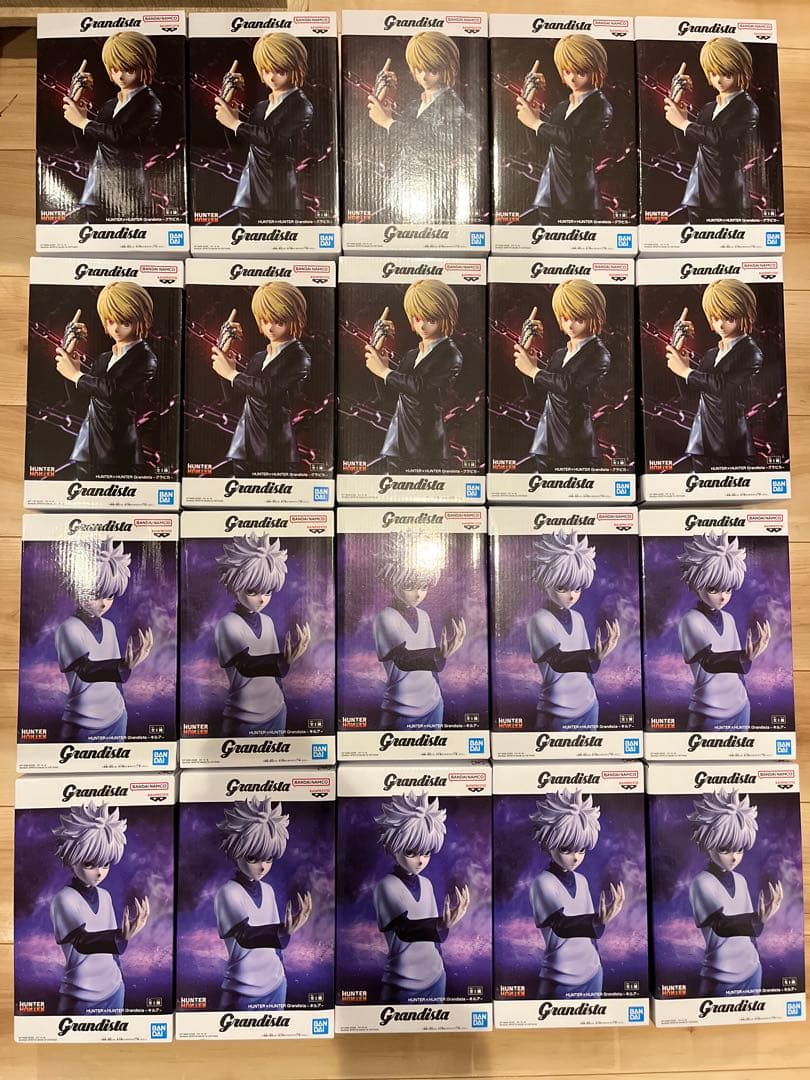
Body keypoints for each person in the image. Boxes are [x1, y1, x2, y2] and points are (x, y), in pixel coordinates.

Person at [50, 801, 150, 1015]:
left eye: (105, 864)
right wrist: (121, 935)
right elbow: (82, 942)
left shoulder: (105, 896)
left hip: (114, 989)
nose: (99, 872)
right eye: (89, 864)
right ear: (72, 858)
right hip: (79, 995)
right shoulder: (64, 899)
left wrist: (122, 942)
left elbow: (113, 952)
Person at [215, 797, 312, 1011]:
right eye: (253, 858)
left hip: (276, 984)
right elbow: (246, 935)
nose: (262, 867)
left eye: (269, 859)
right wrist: (283, 930)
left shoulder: (268, 890)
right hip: (242, 989)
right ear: (236, 851)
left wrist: (282, 967)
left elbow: (276, 947)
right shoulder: (228, 893)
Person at [366, 32, 474, 221]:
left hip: (432, 194)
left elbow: (434, 145)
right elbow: (402, 137)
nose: (423, 76)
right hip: (403, 193)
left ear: (447, 67)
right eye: (418, 70)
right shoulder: (415, 105)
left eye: (432, 70)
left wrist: (388, 122)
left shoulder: (452, 105)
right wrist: (387, 99)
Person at [373, 794, 470, 1004]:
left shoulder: (427, 884)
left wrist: (442, 929)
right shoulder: (386, 886)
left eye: (426, 853)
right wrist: (441, 924)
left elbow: (434, 939)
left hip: (436, 977)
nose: (421, 860)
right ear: (394, 846)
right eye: (411, 852)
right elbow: (405, 929)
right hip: (401, 982)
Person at [529, 789, 624, 1000]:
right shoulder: (542, 883)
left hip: (593, 971)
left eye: (581, 850)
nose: (575, 858)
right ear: (549, 844)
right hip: (559, 977)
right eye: (566, 849)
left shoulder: (582, 880)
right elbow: (561, 925)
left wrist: (598, 959)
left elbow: (590, 936)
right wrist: (598, 920)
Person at [56, 282, 157, 480]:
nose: (116, 328)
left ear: (141, 318)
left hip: (118, 452)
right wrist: (71, 368)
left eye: (124, 322)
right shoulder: (104, 359)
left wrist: (76, 375)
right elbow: (80, 399)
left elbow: (114, 391)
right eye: (110, 321)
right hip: (86, 448)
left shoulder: (145, 358)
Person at [55, 539, 153, 742]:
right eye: (95, 594)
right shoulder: (69, 628)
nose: (103, 604)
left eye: (109, 596)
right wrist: (123, 665)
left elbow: (116, 682)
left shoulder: (109, 627)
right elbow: (86, 670)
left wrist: (123, 703)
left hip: (117, 717)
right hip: (83, 723)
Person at [688, 789, 782, 997]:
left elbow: (749, 934)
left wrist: (756, 950)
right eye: (725, 849)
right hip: (720, 976)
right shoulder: (701, 883)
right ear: (708, 843)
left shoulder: (741, 880)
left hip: (753, 970)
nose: (734, 857)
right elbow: (722, 925)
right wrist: (758, 918)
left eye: (739, 850)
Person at [214, 533, 310, 737]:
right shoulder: (228, 624)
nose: (262, 599)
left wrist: (282, 694)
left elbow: (275, 675)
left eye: (268, 592)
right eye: (252, 591)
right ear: (235, 587)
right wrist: (284, 659)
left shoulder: (267, 621)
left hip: (277, 710)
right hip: (243, 717)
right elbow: (246, 665)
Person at [211, 282, 311, 477]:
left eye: (278, 321)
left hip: (274, 451)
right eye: (265, 321)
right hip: (243, 447)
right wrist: (226, 366)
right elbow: (234, 397)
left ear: (294, 318)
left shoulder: (299, 357)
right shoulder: (258, 358)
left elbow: (270, 390)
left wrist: (232, 374)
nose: (270, 328)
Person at [213, 33, 313, 225]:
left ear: (295, 67)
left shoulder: (301, 105)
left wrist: (235, 123)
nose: (271, 77)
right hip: (248, 195)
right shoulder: (261, 107)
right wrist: (229, 113)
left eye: (279, 70)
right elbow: (241, 145)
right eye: (266, 70)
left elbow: (273, 139)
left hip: (280, 199)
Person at [62, 32, 162, 223]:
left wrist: (83, 122)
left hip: (126, 193)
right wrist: (78, 118)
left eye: (128, 69)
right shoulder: (109, 105)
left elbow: (120, 137)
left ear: (144, 65)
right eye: (115, 69)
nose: (120, 76)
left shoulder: (150, 103)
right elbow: (89, 147)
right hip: (95, 190)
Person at [364, 279, 463, 473]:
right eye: (417, 318)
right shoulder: (411, 355)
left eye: (431, 319)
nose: (423, 326)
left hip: (425, 447)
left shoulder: (451, 354)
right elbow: (391, 396)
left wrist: (384, 371)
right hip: (396, 443)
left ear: (447, 316)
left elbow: (421, 387)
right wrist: (380, 367)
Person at [665, 279, 764, 471]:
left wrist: (686, 371)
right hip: (701, 443)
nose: (721, 325)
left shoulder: (751, 353)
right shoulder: (711, 354)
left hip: (731, 447)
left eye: (729, 318)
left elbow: (723, 386)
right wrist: (681, 364)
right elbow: (691, 394)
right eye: (716, 318)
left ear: (745, 314)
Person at [513, 279, 611, 472]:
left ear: (594, 316)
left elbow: (569, 386)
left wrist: (533, 370)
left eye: (578, 319)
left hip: (574, 446)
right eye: (565, 318)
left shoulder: (599, 354)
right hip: (544, 442)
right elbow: (539, 393)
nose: (570, 325)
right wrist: (529, 365)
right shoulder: (559, 354)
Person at [526, 531, 619, 731]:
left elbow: (586, 671)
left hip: (589, 705)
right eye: (562, 588)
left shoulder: (578, 618)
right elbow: (558, 660)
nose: (571, 596)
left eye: (577, 589)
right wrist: (594, 655)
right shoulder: (539, 620)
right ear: (544, 581)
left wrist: (594, 662)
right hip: (556, 711)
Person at [677, 531, 770, 731]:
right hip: (708, 711)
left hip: (741, 706)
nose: (723, 597)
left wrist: (745, 666)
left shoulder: (729, 619)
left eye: (728, 590)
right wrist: (745, 656)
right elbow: (709, 661)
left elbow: (737, 671)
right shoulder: (690, 620)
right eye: (714, 589)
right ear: (697, 583)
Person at [515, 35, 613, 224]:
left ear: (596, 68)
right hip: (547, 196)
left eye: (580, 72)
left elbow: (574, 139)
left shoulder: (601, 106)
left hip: (577, 199)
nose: (572, 78)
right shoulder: (561, 107)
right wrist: (531, 119)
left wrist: (536, 123)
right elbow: (541, 148)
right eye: (567, 71)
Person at [372, 536, 465, 730]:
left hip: (434, 704)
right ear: (393, 581)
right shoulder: (385, 617)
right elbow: (403, 659)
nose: (418, 594)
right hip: (400, 711)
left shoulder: (424, 616)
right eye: (409, 586)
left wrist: (439, 660)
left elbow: (432, 670)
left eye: (423, 587)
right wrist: (439, 654)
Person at [664, 38, 759, 223]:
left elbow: (720, 138)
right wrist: (679, 119)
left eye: (726, 73)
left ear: (741, 70)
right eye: (713, 73)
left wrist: (684, 124)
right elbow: (690, 149)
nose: (719, 79)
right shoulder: (708, 109)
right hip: (697, 196)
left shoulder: (748, 108)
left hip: (727, 199)